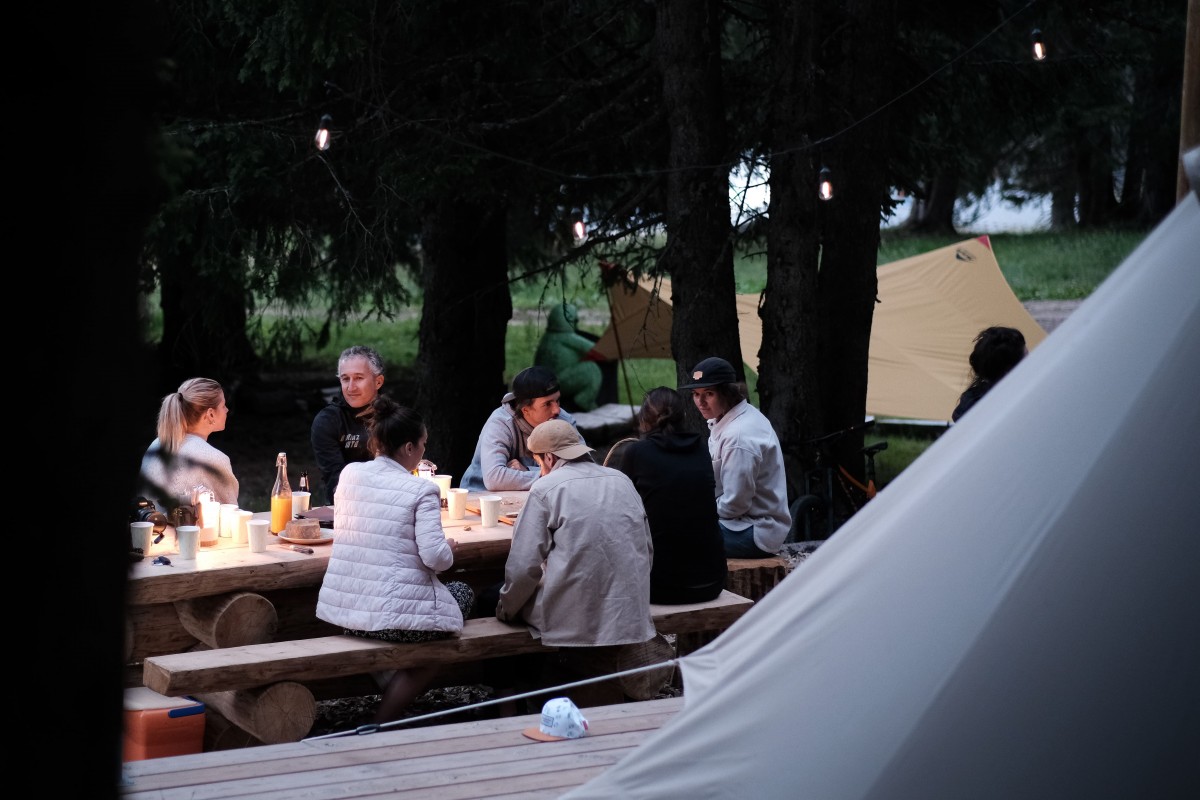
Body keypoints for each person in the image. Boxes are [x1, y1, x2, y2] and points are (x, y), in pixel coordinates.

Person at [315, 395, 474, 723]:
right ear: (408, 448)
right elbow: (435, 559)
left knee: (410, 615)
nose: (424, 451)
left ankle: (391, 682)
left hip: (346, 613)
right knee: (462, 596)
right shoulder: (421, 490)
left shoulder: (350, 476)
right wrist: (450, 548)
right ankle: (385, 718)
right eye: (423, 444)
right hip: (393, 622)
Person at [496, 418, 656, 649]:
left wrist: (506, 609)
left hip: (573, 621)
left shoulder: (545, 489)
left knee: (494, 597)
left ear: (549, 458)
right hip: (629, 613)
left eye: (537, 461)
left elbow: (522, 567)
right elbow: (646, 551)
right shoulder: (622, 481)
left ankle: (514, 683)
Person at [610, 387, 727, 604]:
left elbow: (617, 510)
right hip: (712, 581)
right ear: (682, 416)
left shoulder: (636, 453)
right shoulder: (701, 448)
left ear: (644, 418)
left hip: (659, 587)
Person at [682, 356, 790, 559]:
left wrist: (697, 509)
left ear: (727, 393)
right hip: (740, 522)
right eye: (696, 394)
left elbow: (735, 504)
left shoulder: (738, 437)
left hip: (755, 531)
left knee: (675, 534)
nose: (700, 402)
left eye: (709, 394)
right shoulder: (733, 418)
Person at [460, 365, 583, 492]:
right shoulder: (501, 423)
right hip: (481, 499)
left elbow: (582, 468)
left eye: (557, 400)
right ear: (526, 410)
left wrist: (528, 470)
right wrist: (549, 475)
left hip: (536, 496)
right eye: (547, 404)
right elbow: (494, 478)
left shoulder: (563, 419)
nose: (557, 409)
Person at [138, 377, 239, 512]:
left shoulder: (156, 445)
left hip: (146, 530)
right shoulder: (214, 459)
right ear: (210, 414)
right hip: (187, 533)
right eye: (223, 405)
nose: (226, 410)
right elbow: (231, 516)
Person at [311, 345, 386, 505]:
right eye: (345, 379)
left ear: (378, 381)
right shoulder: (327, 421)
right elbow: (336, 480)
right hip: (345, 509)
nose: (351, 387)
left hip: (392, 506)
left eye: (359, 378)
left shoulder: (393, 417)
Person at [534, 301, 603, 412]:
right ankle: (584, 400)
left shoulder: (547, 338)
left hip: (543, 383)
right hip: (556, 382)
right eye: (574, 321)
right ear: (568, 321)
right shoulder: (566, 337)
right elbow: (596, 350)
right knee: (591, 368)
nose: (576, 325)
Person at [951, 326, 1028, 422]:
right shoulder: (1001, 410)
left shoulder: (972, 404)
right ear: (1008, 369)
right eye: (1026, 359)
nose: (1031, 362)